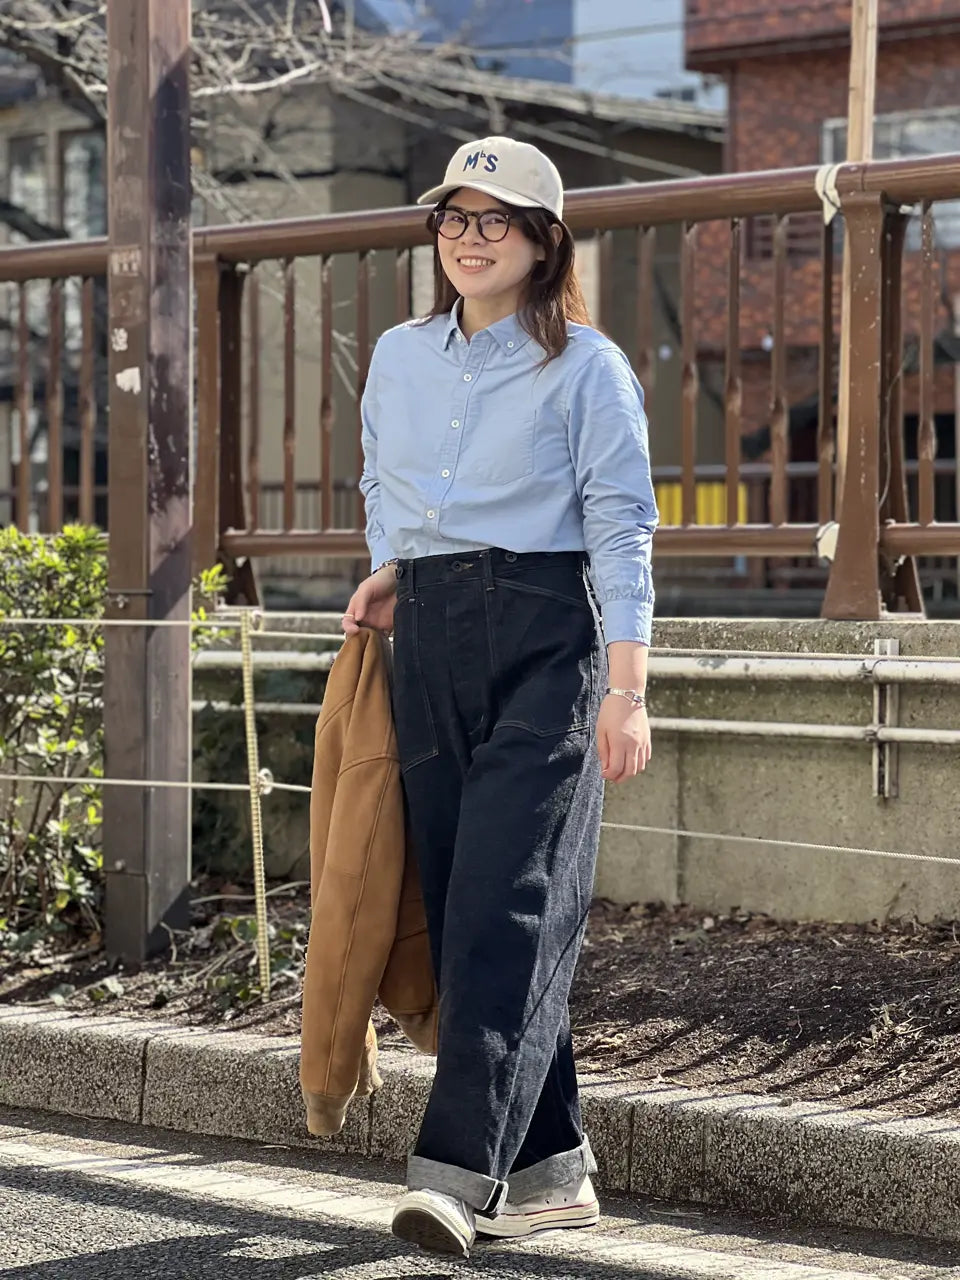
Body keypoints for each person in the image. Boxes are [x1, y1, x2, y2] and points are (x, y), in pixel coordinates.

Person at [341, 136, 657, 1259]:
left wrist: (628, 686)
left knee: (506, 904)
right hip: (426, 629)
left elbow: (621, 524)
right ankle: (554, 1168)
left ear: (541, 240)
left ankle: (457, 1172)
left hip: (546, 635)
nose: (470, 238)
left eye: (496, 220)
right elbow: (384, 479)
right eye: (454, 218)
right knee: (464, 895)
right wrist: (391, 563)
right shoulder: (397, 353)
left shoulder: (588, 366)